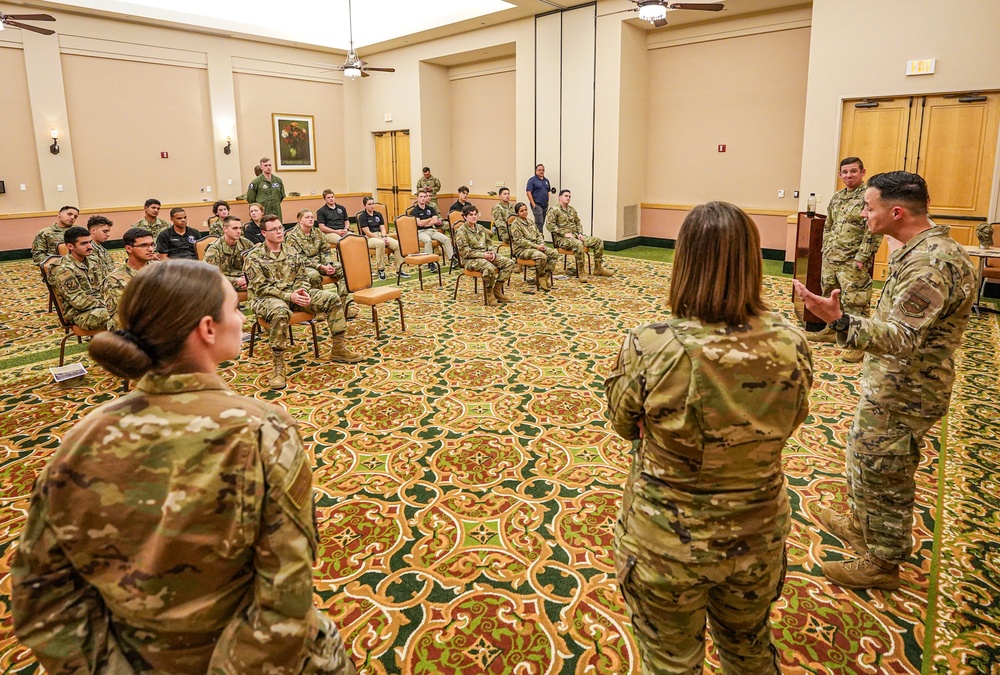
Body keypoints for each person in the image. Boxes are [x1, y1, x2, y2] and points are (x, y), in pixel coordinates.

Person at [12, 260, 357, 674]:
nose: (244, 316)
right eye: (235, 308)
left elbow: (41, 596)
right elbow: (285, 592)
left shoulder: (80, 439)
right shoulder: (261, 430)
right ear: (207, 329)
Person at [607, 201, 813, 674]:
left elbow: (622, 424)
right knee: (750, 652)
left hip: (665, 543)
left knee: (673, 662)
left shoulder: (651, 344)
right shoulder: (790, 341)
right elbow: (793, 419)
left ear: (683, 261)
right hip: (756, 536)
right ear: (753, 261)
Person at [793, 171, 975, 590]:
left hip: (909, 389)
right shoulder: (918, 250)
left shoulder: (931, 264)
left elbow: (901, 336)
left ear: (895, 212)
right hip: (892, 383)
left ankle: (883, 561)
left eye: (868, 207)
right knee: (866, 457)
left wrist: (841, 321)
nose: (863, 213)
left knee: (886, 471)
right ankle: (863, 524)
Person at [245, 214, 362, 389]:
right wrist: (289, 296)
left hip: (294, 295)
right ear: (263, 233)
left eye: (280, 228)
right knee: (280, 311)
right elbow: (261, 288)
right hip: (267, 299)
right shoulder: (254, 257)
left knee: (331, 298)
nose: (279, 232)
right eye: (273, 229)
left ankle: (338, 348)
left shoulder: (291, 251)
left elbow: (302, 277)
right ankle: (278, 366)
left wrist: (303, 291)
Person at [808, 157, 883, 363]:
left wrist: (862, 257)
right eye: (845, 172)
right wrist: (826, 249)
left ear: (862, 172)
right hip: (832, 257)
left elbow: (874, 230)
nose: (849, 176)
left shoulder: (868, 198)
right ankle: (832, 331)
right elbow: (828, 225)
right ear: (840, 175)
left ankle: (859, 343)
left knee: (855, 302)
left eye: (853, 171)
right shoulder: (838, 197)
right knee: (830, 296)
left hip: (852, 261)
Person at [48, 226, 115, 330]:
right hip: (79, 313)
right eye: (84, 243)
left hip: (101, 305)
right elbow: (78, 301)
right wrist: (108, 304)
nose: (90, 247)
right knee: (117, 316)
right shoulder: (63, 269)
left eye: (90, 242)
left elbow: (107, 284)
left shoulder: (94, 260)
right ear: (70, 246)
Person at [545, 189, 613, 282]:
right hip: (562, 239)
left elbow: (578, 222)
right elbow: (549, 225)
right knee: (578, 244)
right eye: (566, 196)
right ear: (559, 197)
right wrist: (563, 233)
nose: (568, 198)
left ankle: (598, 268)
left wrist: (580, 233)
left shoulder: (571, 209)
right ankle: (581, 272)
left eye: (569, 196)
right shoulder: (554, 210)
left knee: (598, 241)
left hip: (575, 236)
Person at [454, 204, 515, 307]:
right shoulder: (461, 231)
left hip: (485, 255)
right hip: (470, 259)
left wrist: (491, 252)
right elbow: (465, 252)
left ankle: (497, 289)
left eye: (475, 214)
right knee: (489, 268)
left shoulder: (480, 228)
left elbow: (489, 243)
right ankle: (489, 292)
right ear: (464, 217)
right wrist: (483, 255)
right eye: (470, 215)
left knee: (509, 263)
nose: (474, 216)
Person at [101, 227, 156, 321]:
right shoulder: (114, 279)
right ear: (129, 248)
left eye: (152, 244)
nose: (151, 249)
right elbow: (120, 317)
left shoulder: (159, 269)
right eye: (144, 245)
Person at [509, 202, 559, 291]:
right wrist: (536, 246)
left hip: (536, 247)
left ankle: (543, 277)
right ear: (517, 213)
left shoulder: (530, 221)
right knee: (542, 256)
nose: (524, 212)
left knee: (554, 253)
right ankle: (540, 277)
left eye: (525, 210)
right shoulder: (515, 224)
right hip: (522, 249)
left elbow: (538, 234)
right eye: (521, 211)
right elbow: (520, 241)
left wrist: (541, 244)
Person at [357, 196, 406, 281]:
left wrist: (384, 236)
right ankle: (381, 269)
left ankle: (399, 269)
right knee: (381, 243)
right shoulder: (362, 216)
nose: (372, 206)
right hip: (369, 238)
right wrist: (381, 239)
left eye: (373, 203)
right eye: (369, 204)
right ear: (365, 206)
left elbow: (383, 228)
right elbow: (367, 232)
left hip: (380, 236)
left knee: (397, 244)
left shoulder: (378, 214)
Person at [205, 215, 254, 292]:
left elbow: (257, 264)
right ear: (225, 229)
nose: (238, 231)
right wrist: (236, 281)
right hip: (222, 282)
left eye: (240, 228)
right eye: (234, 228)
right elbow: (209, 275)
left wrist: (248, 279)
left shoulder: (246, 243)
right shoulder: (214, 248)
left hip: (244, 279)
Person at [409, 190, 453, 272]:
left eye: (424, 197)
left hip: (431, 230)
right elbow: (419, 224)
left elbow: (435, 220)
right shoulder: (414, 211)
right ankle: (430, 262)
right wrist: (429, 219)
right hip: (420, 232)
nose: (423, 198)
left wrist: (425, 222)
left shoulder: (431, 209)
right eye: (421, 197)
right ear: (417, 198)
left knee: (446, 239)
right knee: (428, 240)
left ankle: (452, 259)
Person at [86, 215, 116, 280]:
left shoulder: (102, 248)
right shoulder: (88, 249)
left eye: (108, 231)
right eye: (105, 231)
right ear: (93, 230)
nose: (108, 235)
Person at [525, 164, 551, 234]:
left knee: (542, 223)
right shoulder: (532, 180)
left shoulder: (546, 181)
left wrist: (547, 202)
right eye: (539, 170)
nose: (541, 171)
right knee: (539, 223)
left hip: (544, 205)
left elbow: (548, 192)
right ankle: (540, 239)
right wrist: (533, 204)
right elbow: (528, 192)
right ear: (536, 171)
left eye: (542, 170)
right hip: (537, 204)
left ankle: (537, 236)